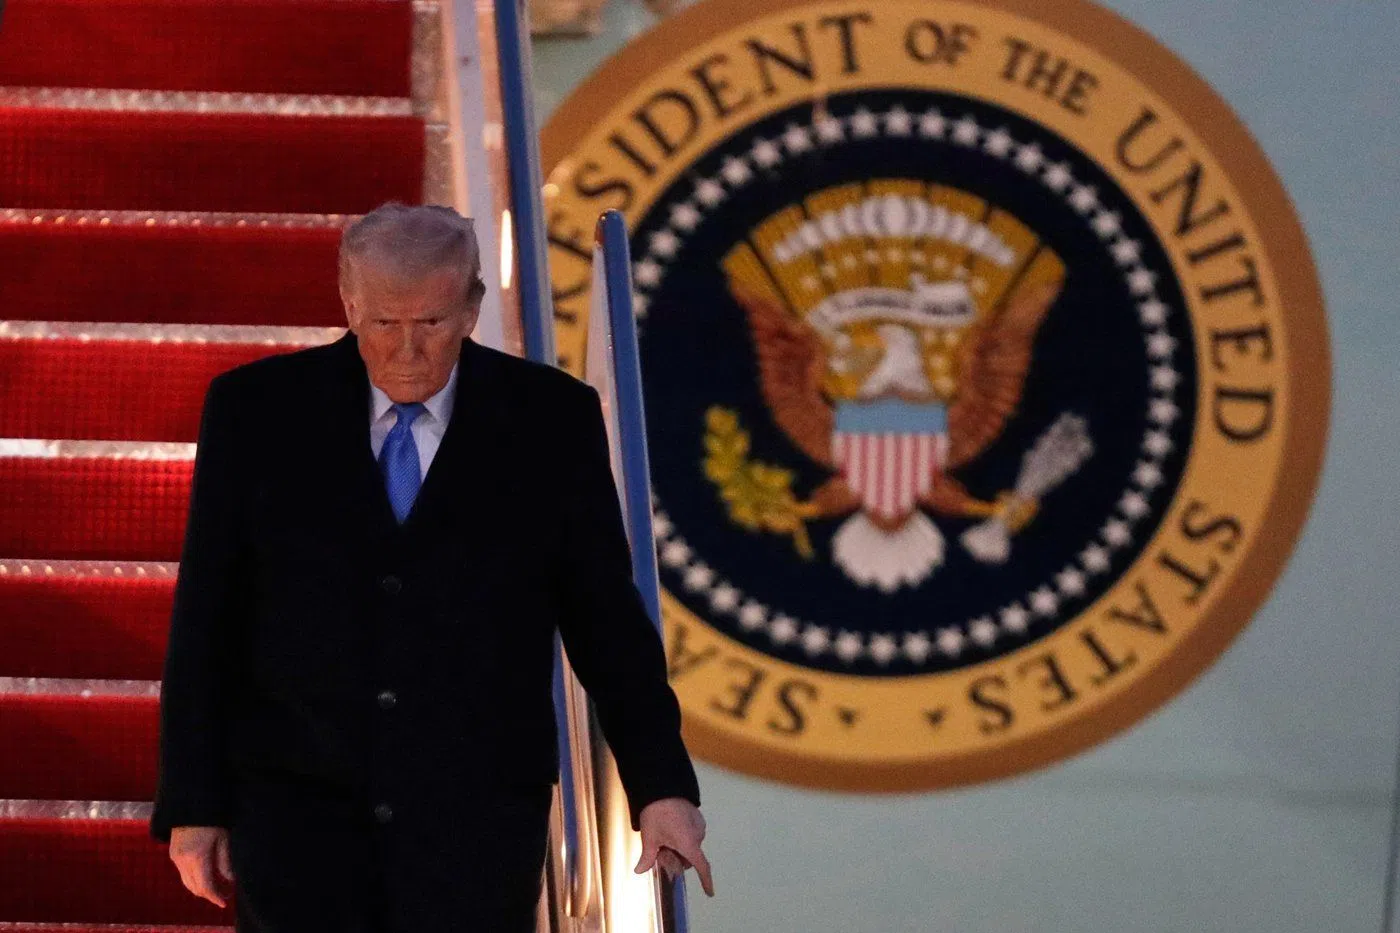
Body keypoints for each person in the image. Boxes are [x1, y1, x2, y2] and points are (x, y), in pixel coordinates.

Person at [150, 202, 713, 932]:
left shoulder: (551, 420)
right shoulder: (255, 412)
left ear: (474, 305)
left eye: (433, 322)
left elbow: (607, 623)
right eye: (384, 323)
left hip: (475, 822)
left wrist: (661, 787)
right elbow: (207, 619)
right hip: (295, 812)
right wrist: (194, 804)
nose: (408, 349)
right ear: (348, 305)